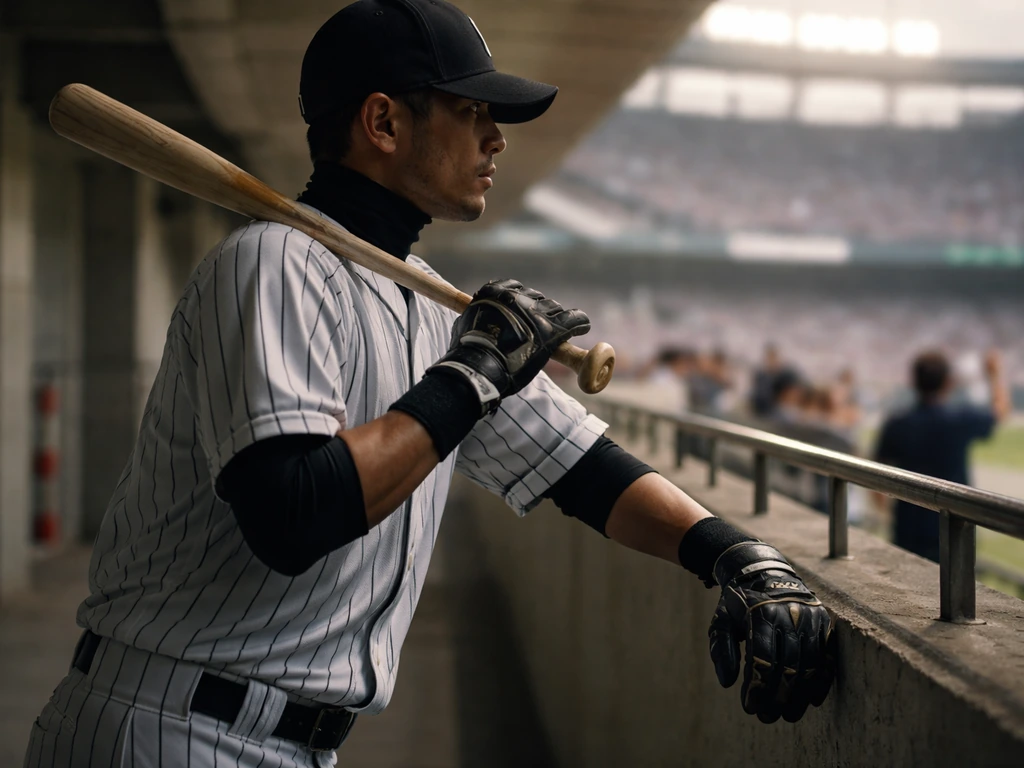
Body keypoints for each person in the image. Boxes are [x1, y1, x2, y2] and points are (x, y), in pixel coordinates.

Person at [24, 3, 835, 765]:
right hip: (170, 728)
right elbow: (293, 513)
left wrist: (737, 557)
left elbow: (584, 471)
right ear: (383, 122)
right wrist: (471, 378)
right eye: (471, 112)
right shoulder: (272, 264)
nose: (497, 139)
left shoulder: (423, 295)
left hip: (286, 739)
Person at [874, 349, 1011, 562]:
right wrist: (994, 375)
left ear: (914, 381)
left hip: (908, 527)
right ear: (948, 382)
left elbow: (877, 476)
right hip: (953, 527)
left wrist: (886, 512)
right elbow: (999, 411)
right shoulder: (959, 419)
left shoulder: (897, 424)